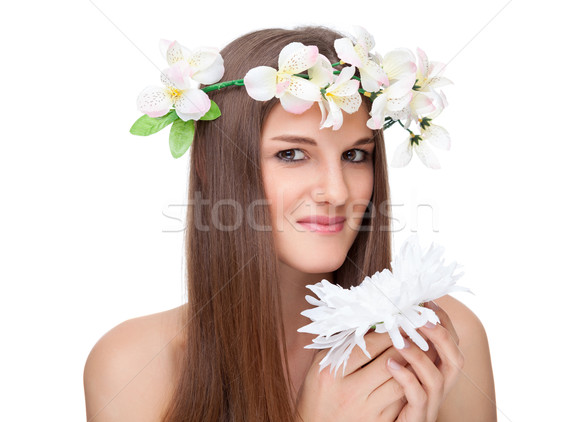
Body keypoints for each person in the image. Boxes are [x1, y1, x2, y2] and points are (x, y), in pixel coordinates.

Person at [83, 26, 496, 421]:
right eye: (293, 155)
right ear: (214, 166)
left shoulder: (437, 339)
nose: (336, 192)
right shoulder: (133, 365)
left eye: (354, 155)